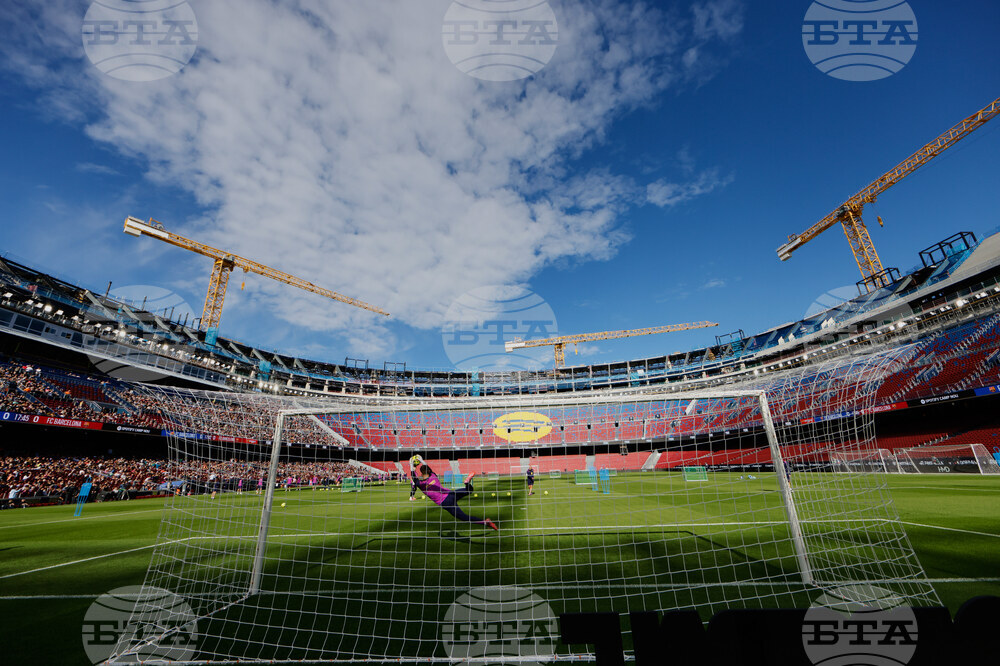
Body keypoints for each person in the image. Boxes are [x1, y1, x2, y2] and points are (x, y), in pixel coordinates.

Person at [409, 456, 497, 531]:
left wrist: (411, 465)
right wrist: (421, 460)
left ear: (421, 473)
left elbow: (413, 476)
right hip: (451, 494)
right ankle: (466, 482)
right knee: (469, 490)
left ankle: (485, 522)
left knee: (463, 517)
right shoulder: (433, 475)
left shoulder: (420, 484)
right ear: (428, 471)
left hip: (446, 502)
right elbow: (428, 469)